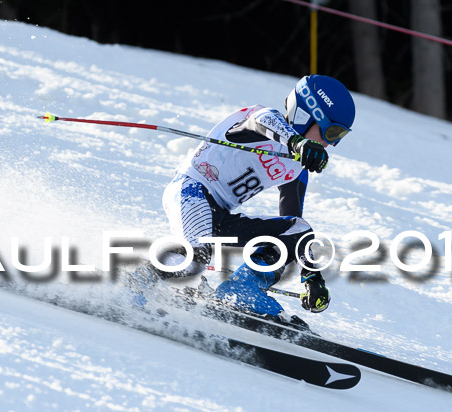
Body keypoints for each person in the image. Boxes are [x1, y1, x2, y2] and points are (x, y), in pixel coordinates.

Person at [131, 75, 355, 319]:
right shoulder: (264, 119)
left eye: (339, 137)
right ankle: (135, 280)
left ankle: (242, 290)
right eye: (331, 132)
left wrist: (312, 276)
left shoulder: (296, 167)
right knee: (196, 259)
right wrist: (296, 141)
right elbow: (260, 122)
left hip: (220, 217)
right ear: (307, 114)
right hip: (191, 190)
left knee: (299, 229)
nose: (330, 144)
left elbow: (293, 224)